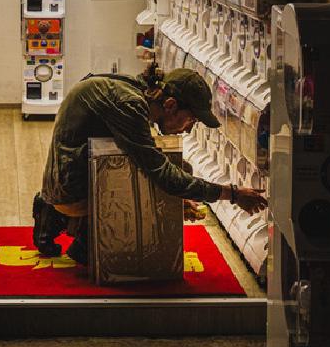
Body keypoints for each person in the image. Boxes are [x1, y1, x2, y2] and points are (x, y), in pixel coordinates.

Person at [32, 61, 268, 265]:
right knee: (170, 174)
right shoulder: (129, 105)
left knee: (177, 169)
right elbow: (163, 176)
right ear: (170, 105)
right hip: (68, 190)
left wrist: (176, 197)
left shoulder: (133, 91)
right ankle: (81, 233)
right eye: (191, 119)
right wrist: (232, 194)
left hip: (68, 174)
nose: (189, 129)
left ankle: (62, 218)